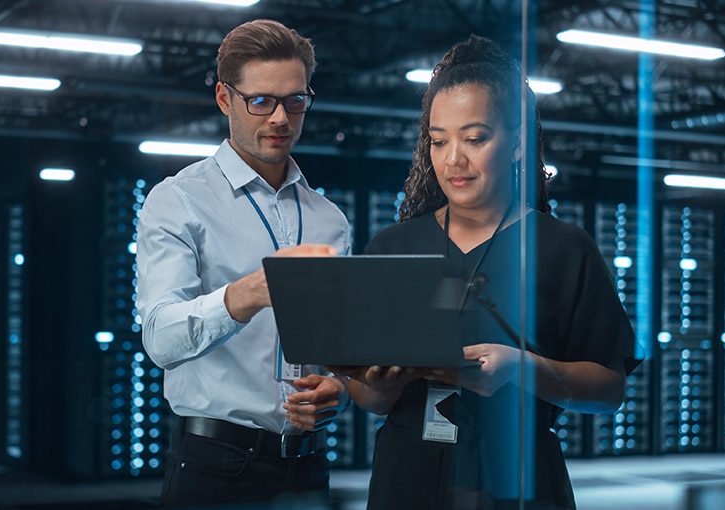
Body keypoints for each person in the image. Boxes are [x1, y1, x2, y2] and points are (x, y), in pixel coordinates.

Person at [336, 35, 640, 509]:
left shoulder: (563, 249)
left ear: (517, 144)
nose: (453, 159)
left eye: (475, 139)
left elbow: (609, 389)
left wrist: (522, 368)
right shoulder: (393, 247)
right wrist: (381, 384)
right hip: (409, 476)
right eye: (439, 141)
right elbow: (369, 396)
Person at [136, 19, 352, 507]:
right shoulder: (178, 200)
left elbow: (337, 347)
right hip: (216, 466)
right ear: (224, 98)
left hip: (309, 465)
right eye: (260, 100)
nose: (280, 118)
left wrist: (338, 387)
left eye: (295, 100)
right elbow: (160, 339)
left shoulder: (330, 219)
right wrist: (249, 292)